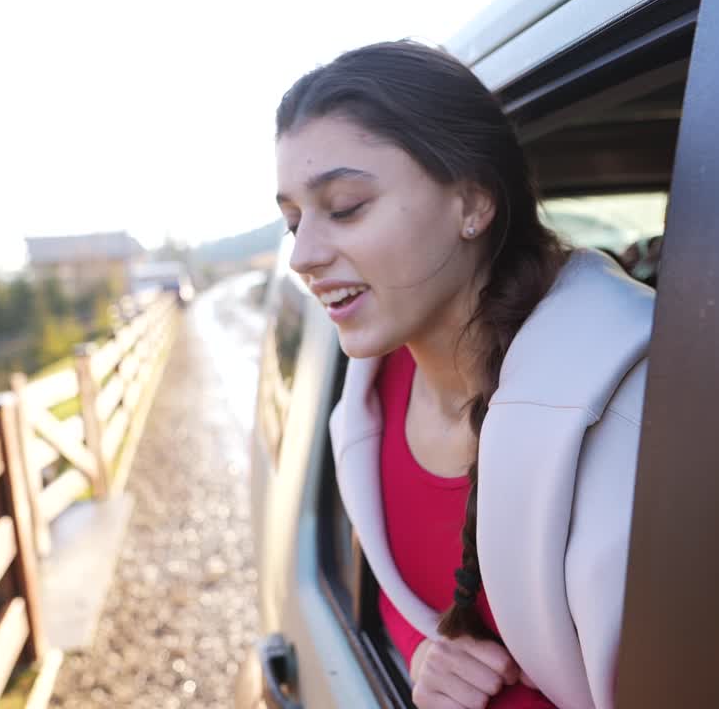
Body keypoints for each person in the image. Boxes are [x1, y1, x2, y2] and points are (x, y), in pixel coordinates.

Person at [274, 40, 653, 709]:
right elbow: (399, 607)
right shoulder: (366, 398)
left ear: (473, 203)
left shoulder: (633, 411)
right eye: (293, 220)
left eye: (344, 207)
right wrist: (427, 660)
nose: (302, 254)